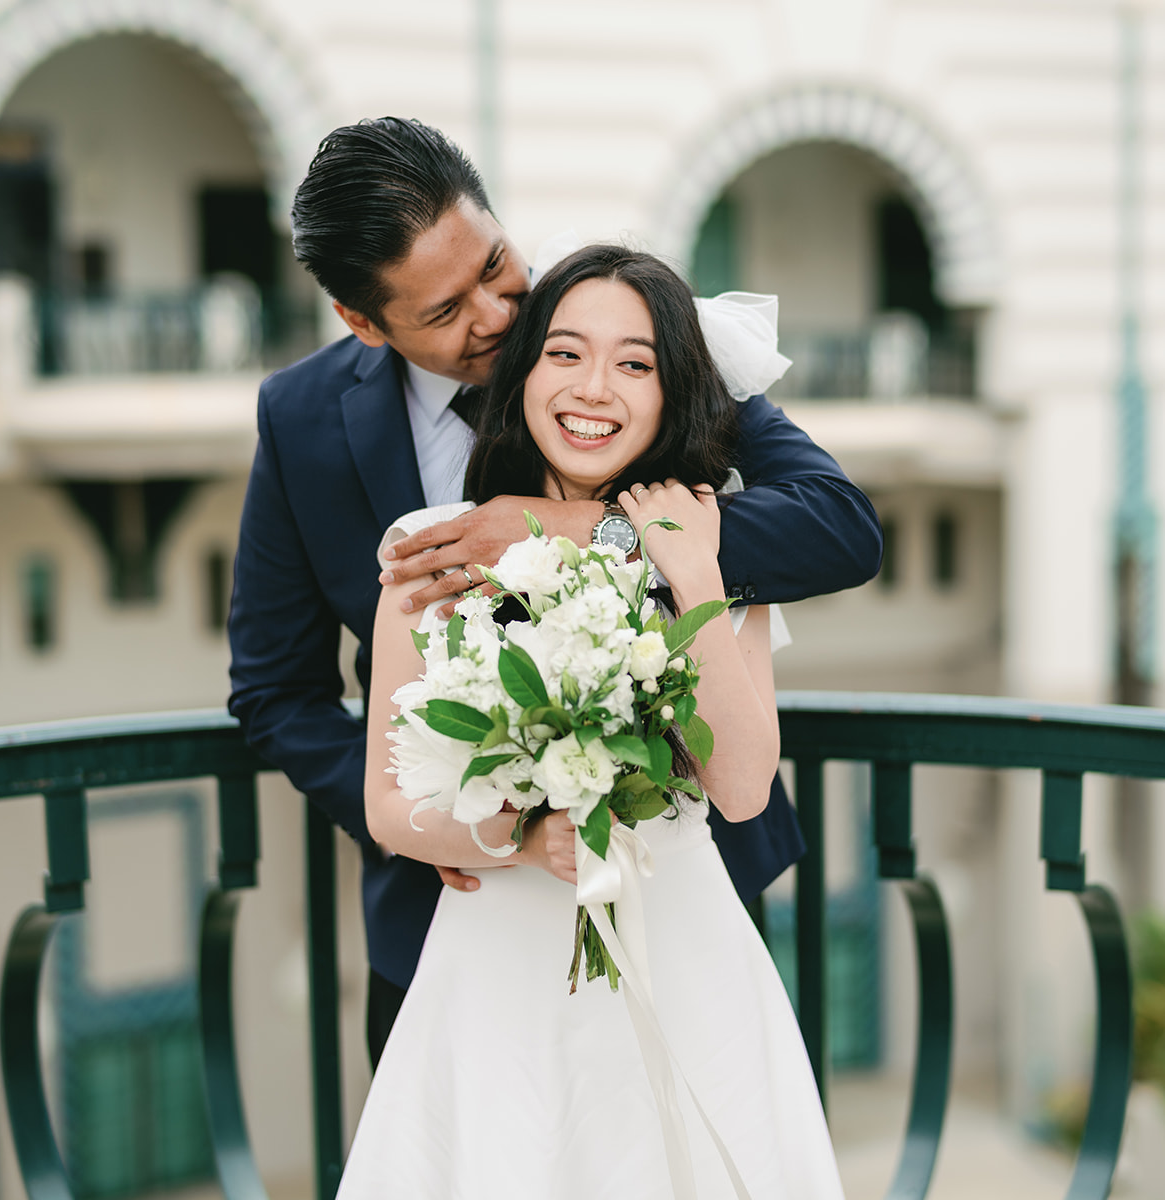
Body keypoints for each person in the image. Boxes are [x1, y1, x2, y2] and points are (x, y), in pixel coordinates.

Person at [227, 117, 882, 1069]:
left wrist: (574, 529)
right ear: (365, 324)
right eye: (446, 311)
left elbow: (839, 527)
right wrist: (451, 810)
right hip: (451, 917)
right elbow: (276, 692)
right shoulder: (299, 420)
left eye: (496, 265)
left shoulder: (634, 342)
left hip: (682, 894)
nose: (497, 315)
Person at [340, 243, 844, 1199]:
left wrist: (692, 572)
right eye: (565, 353)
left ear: (672, 393)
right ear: (525, 370)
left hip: (685, 952)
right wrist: (522, 835)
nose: (595, 387)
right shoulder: (429, 548)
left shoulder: (719, 542)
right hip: (497, 970)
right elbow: (388, 807)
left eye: (636, 363)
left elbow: (738, 789)